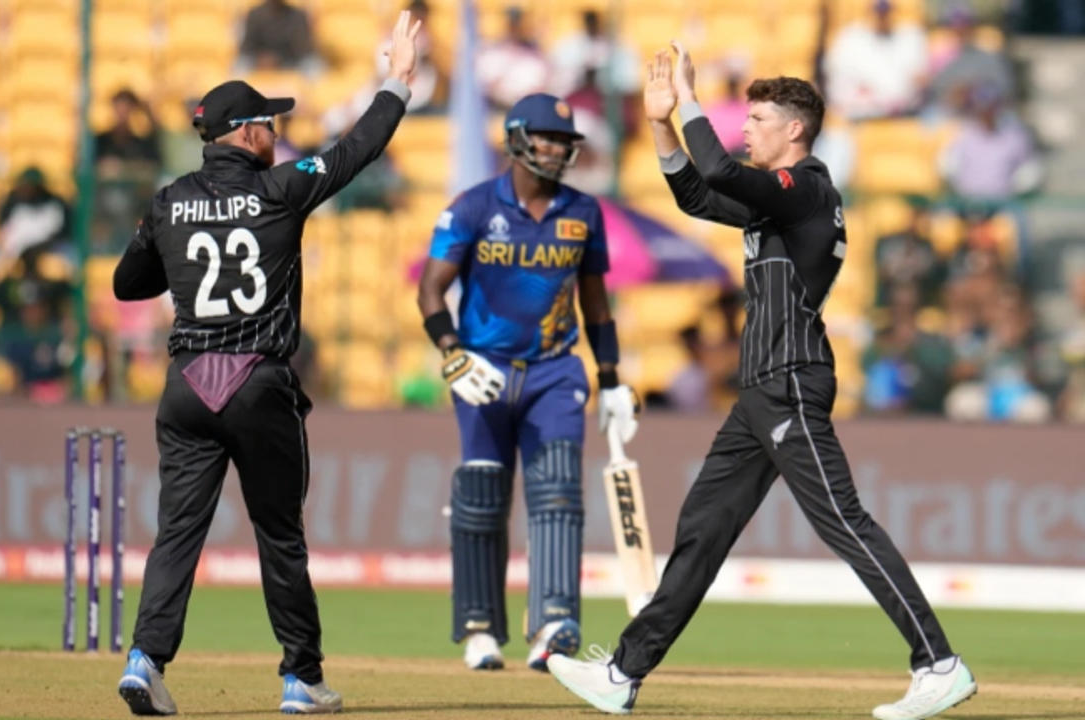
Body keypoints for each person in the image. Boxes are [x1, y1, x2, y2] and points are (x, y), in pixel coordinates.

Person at [546, 44, 977, 720]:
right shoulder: (770, 207)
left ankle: (939, 663)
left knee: (843, 521)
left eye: (756, 119)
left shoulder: (805, 189)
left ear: (794, 129)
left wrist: (688, 98)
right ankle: (624, 674)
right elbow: (695, 192)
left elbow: (715, 165)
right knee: (703, 526)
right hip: (759, 392)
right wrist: (661, 125)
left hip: (791, 381)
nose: (745, 129)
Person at [110, 11, 421, 716]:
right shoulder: (282, 189)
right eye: (269, 123)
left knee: (177, 533)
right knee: (279, 532)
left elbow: (129, 286)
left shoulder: (168, 201)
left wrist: (177, 246)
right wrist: (397, 82)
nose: (277, 132)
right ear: (245, 134)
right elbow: (355, 151)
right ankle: (300, 677)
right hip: (256, 380)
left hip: (188, 384)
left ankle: (145, 659)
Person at [417, 92, 638, 673]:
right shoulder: (471, 206)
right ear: (516, 140)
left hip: (555, 369)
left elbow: (596, 303)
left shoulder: (583, 212)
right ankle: (480, 627)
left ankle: (555, 621)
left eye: (565, 142)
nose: (558, 150)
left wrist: (612, 378)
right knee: (482, 497)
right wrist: (452, 354)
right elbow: (430, 290)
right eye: (546, 139)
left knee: (559, 490)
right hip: (484, 370)